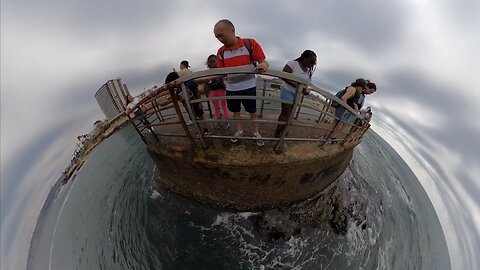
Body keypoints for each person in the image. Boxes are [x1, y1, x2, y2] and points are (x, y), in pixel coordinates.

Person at [214, 19, 269, 147]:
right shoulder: (221, 52)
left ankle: (256, 133)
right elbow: (220, 72)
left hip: (249, 86)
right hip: (231, 88)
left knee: (252, 111)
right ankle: (240, 131)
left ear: (232, 30)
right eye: (217, 37)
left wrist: (263, 65)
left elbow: (263, 62)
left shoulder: (250, 44)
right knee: (235, 111)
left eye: (221, 35)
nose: (219, 39)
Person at [274, 50, 317, 138]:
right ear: (305, 59)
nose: (313, 64)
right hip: (287, 90)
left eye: (314, 63)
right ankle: (278, 130)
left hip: (297, 94)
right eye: (312, 62)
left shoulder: (308, 71)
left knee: (291, 113)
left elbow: (306, 84)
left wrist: (305, 90)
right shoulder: (293, 64)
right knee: (286, 112)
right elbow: (283, 76)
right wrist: (297, 86)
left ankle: (283, 129)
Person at [205, 54, 230, 129]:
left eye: (213, 61)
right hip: (212, 90)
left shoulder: (220, 69)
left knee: (224, 106)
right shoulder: (209, 72)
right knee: (216, 107)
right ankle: (218, 121)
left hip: (221, 90)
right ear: (208, 63)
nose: (212, 63)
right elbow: (207, 81)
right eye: (210, 62)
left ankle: (226, 121)